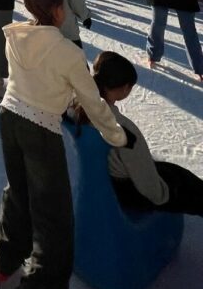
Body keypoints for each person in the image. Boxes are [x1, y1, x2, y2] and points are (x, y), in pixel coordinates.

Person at [0, 0, 129, 289]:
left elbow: (35, 81)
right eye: (64, 6)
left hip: (9, 117)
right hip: (40, 129)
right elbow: (94, 105)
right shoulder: (69, 53)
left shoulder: (16, 36)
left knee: (20, 191)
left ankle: (5, 257)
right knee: (55, 225)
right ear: (56, 11)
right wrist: (117, 135)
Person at [83, 51, 203, 217]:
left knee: (174, 172)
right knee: (187, 186)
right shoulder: (122, 130)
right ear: (124, 88)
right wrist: (163, 195)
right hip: (127, 191)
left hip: (105, 181)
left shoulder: (80, 107)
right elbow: (148, 184)